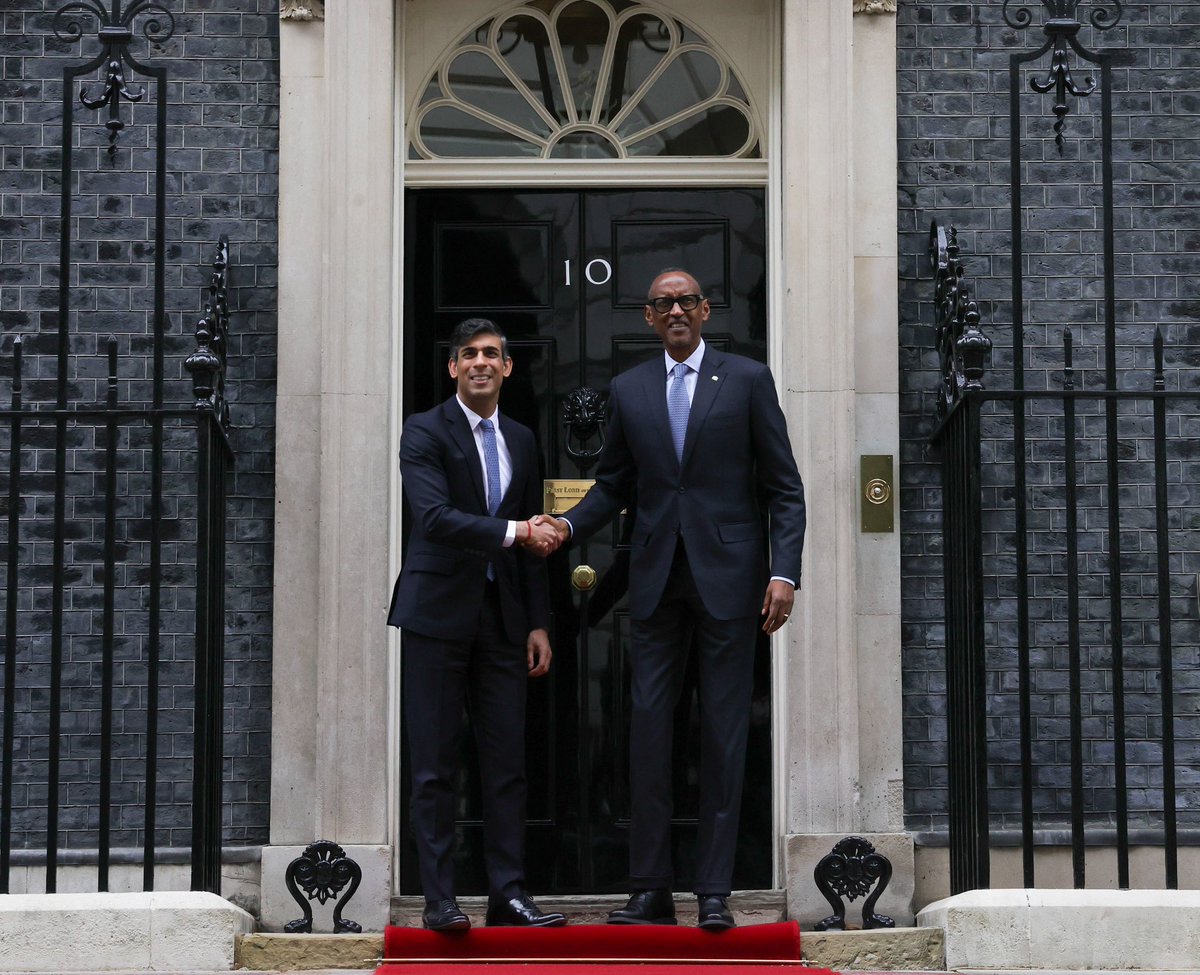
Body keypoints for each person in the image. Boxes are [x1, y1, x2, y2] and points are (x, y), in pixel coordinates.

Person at [552, 269, 806, 931]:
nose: (675, 311)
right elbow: (612, 486)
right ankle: (651, 889)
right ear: (648, 315)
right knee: (649, 734)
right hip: (658, 580)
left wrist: (785, 574)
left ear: (704, 309)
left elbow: (784, 487)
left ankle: (714, 891)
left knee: (722, 736)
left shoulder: (747, 380)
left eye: (685, 301)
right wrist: (568, 526)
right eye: (662, 302)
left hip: (731, 582)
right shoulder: (629, 389)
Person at [388, 318, 566, 931]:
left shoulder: (520, 437)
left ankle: (507, 895)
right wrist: (516, 531)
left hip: (504, 620)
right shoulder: (423, 431)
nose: (482, 363)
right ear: (453, 368)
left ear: (508, 367)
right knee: (435, 764)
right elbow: (434, 517)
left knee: (506, 764)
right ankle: (440, 900)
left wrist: (538, 623)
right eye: (470, 355)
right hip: (437, 616)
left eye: (493, 354)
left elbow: (533, 545)